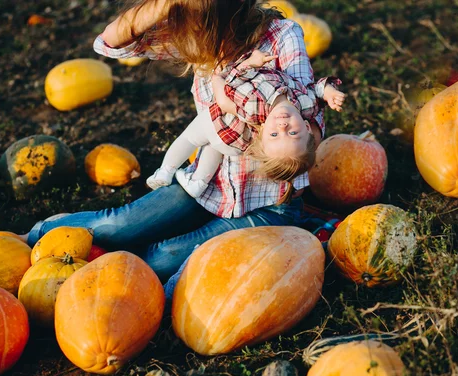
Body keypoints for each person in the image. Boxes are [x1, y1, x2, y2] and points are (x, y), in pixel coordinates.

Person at [24, 0, 337, 282]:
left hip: (266, 206)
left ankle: (97, 268)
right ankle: (33, 236)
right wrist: (167, 4)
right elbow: (109, 43)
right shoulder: (190, 36)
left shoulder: (282, 35)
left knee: (161, 259)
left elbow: (311, 122)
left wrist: (240, 107)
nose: (195, 45)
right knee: (118, 226)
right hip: (205, 185)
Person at [145, 49, 345, 198]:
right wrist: (329, 92)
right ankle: (198, 183)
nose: (282, 127)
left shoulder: (254, 104)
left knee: (189, 138)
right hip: (232, 143)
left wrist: (248, 63)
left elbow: (231, 85)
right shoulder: (306, 104)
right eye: (293, 133)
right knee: (214, 150)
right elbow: (316, 90)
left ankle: (165, 170)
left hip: (219, 125)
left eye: (274, 135)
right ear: (307, 127)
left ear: (263, 130)